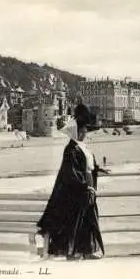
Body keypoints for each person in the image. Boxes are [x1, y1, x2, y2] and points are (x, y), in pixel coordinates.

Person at [37, 103, 108, 260]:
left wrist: (97, 170)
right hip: (77, 191)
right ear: (75, 133)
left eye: (84, 132)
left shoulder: (82, 147)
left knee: (89, 220)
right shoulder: (71, 149)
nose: (83, 134)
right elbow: (71, 172)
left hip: (87, 188)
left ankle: (87, 250)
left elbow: (88, 165)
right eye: (81, 132)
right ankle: (75, 252)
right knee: (79, 221)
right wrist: (84, 186)